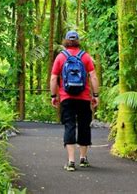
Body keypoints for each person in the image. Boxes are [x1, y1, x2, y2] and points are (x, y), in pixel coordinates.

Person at [50, 30, 100, 171]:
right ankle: (83, 159)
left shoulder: (61, 57)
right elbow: (93, 77)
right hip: (84, 98)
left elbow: (54, 78)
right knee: (84, 125)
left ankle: (71, 162)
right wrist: (95, 95)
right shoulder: (85, 57)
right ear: (78, 41)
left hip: (66, 98)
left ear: (66, 41)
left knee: (70, 126)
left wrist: (54, 96)